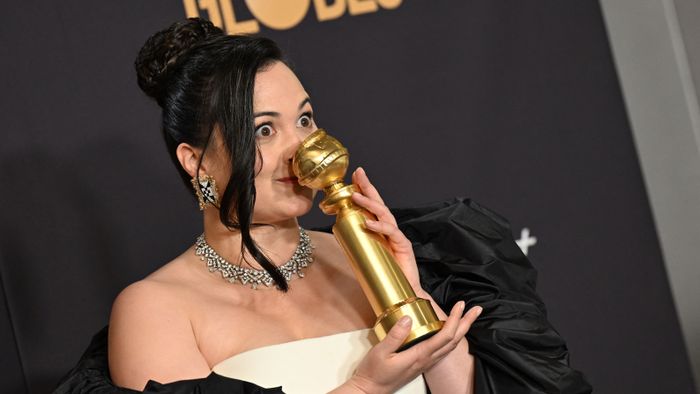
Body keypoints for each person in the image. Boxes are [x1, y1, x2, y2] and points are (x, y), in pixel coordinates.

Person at [54, 18, 592, 394]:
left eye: (305, 119)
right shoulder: (155, 310)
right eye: (263, 130)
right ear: (196, 162)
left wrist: (408, 295)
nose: (304, 150)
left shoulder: (370, 258)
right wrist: (364, 387)